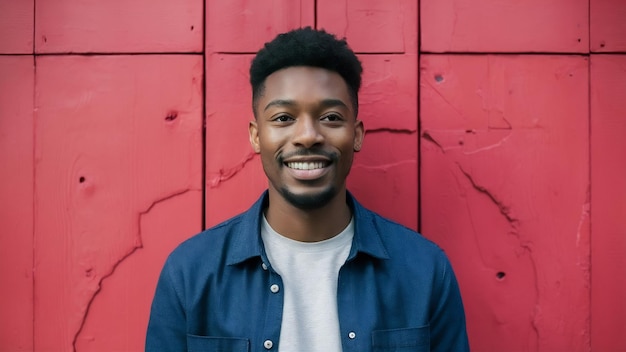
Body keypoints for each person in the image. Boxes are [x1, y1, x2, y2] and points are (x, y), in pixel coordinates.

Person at [146, 27, 469, 352]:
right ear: (257, 136)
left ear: (356, 135)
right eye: (284, 117)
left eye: (330, 117)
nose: (308, 136)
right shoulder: (190, 273)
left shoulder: (425, 271)